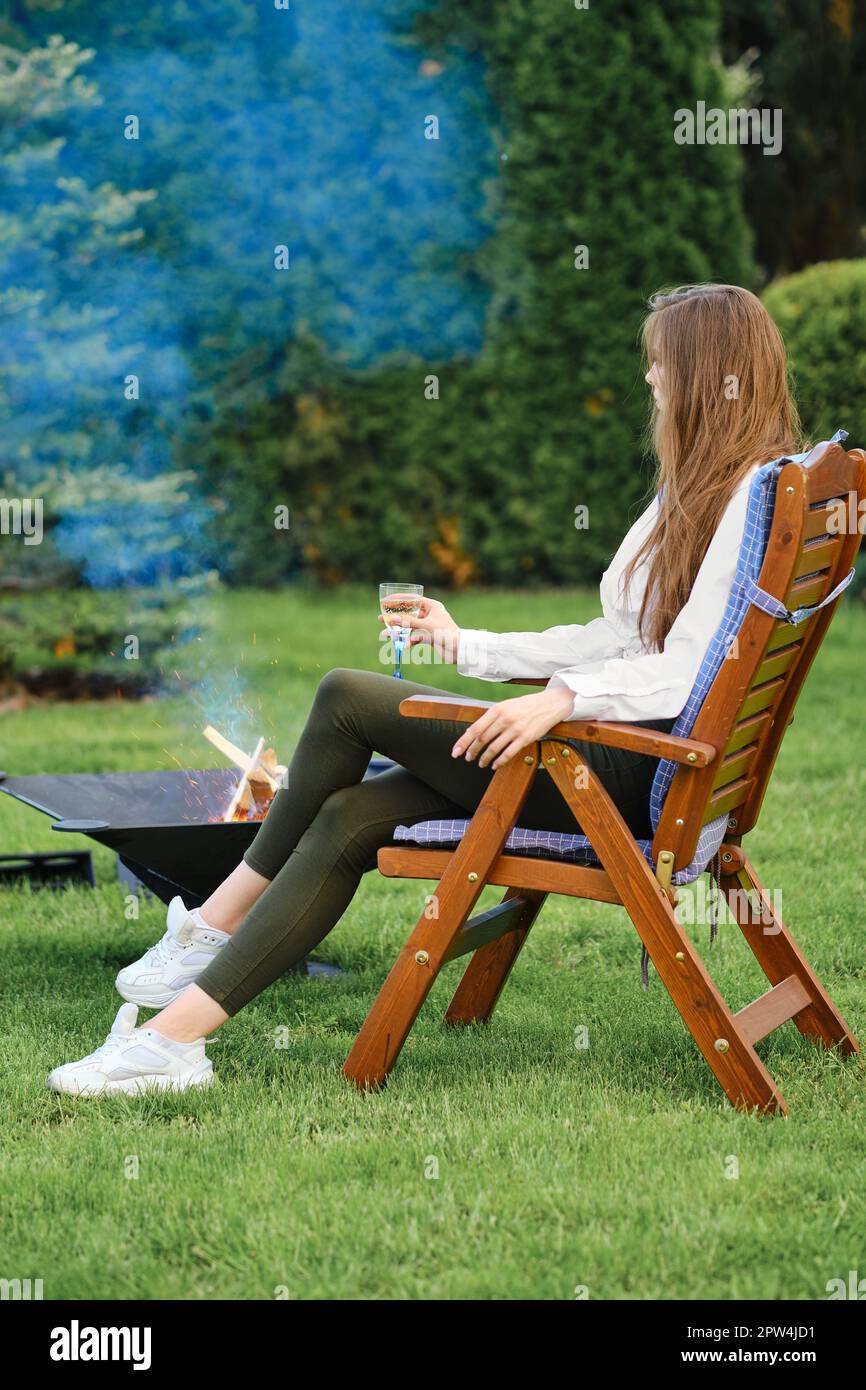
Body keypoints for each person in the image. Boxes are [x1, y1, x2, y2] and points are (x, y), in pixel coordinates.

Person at [48, 283, 802, 1095]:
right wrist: (466, 644)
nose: (650, 378)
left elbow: (689, 670)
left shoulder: (748, 499)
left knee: (345, 697)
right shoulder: (717, 489)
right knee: (348, 814)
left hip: (624, 773)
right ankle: (171, 1043)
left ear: (708, 374)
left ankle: (207, 927)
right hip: (627, 757)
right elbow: (617, 636)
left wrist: (562, 701)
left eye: (662, 364)